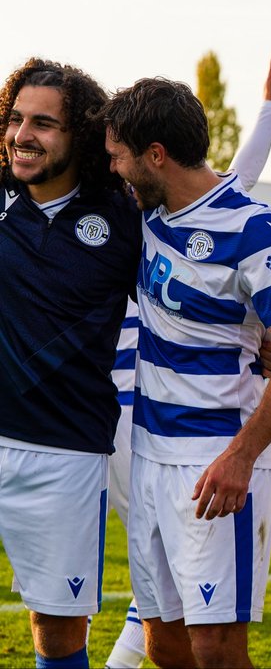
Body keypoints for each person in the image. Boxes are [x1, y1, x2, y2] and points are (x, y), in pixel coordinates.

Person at [102, 77, 271, 668]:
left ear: (156, 155)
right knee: (163, 639)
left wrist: (242, 456)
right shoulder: (147, 215)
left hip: (217, 461)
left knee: (217, 649)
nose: (113, 168)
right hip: (148, 458)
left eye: (119, 156)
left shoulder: (253, 227)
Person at [0, 58, 140, 669]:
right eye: (14, 119)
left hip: (67, 449)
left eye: (43, 124)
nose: (21, 135)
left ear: (79, 136)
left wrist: (258, 340)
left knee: (57, 631)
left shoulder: (125, 219)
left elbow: (192, 295)